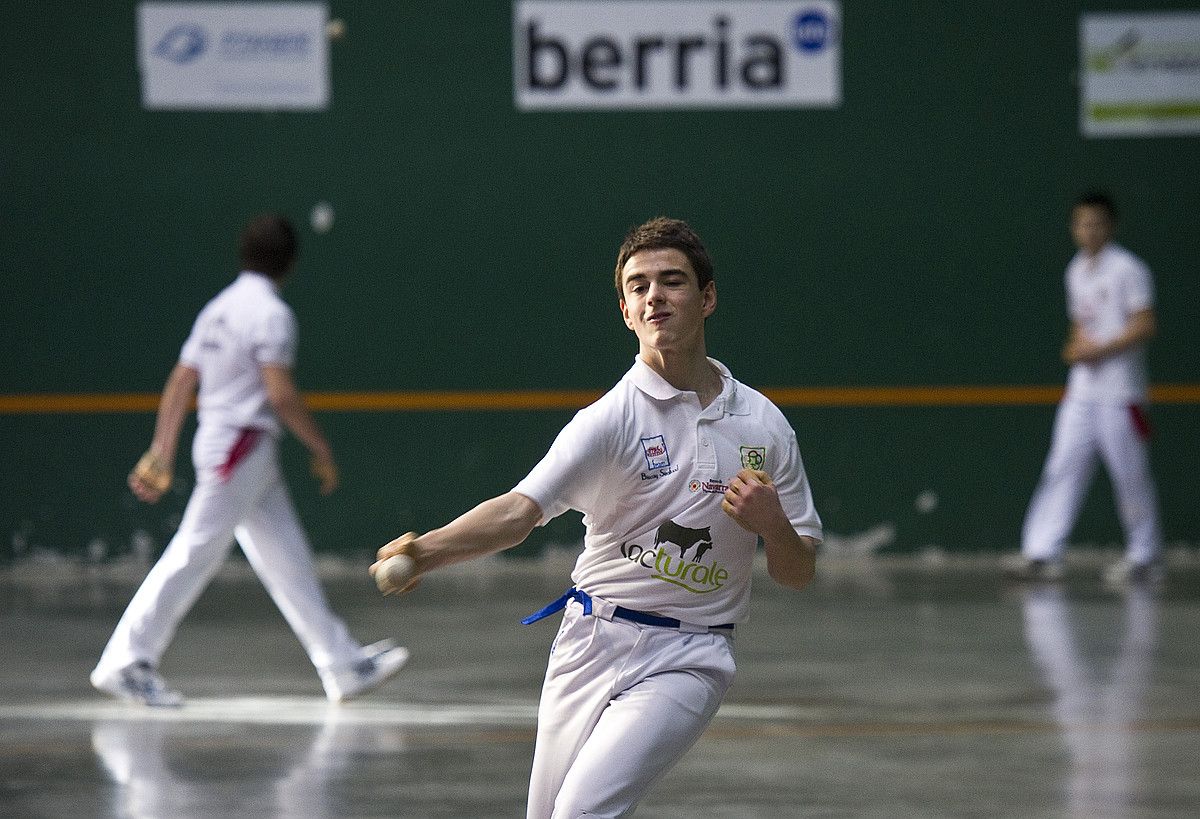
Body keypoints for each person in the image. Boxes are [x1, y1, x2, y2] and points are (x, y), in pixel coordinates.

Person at [371, 216, 822, 817]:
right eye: (638, 287)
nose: (654, 295)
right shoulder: (607, 421)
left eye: (672, 281)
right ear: (626, 312)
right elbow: (517, 511)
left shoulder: (764, 426)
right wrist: (425, 551)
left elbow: (798, 571)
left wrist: (771, 524)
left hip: (689, 656)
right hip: (588, 642)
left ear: (707, 297)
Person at [92, 213, 408, 706]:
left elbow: (181, 381)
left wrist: (162, 449)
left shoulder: (217, 309)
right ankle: (126, 660)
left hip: (238, 449)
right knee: (194, 552)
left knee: (287, 558)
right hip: (238, 449)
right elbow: (280, 396)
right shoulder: (271, 315)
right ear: (290, 264)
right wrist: (320, 447)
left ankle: (341, 664)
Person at [1005, 192, 1163, 585]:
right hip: (1081, 392)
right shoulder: (1076, 270)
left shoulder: (1129, 269)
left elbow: (1144, 324)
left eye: (1096, 223)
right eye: (1081, 223)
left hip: (1121, 393)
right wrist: (1075, 347)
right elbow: (1082, 325)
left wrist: (1102, 349)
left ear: (1111, 226)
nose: (1088, 231)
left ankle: (1145, 557)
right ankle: (1042, 552)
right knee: (1061, 466)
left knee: (1130, 475)